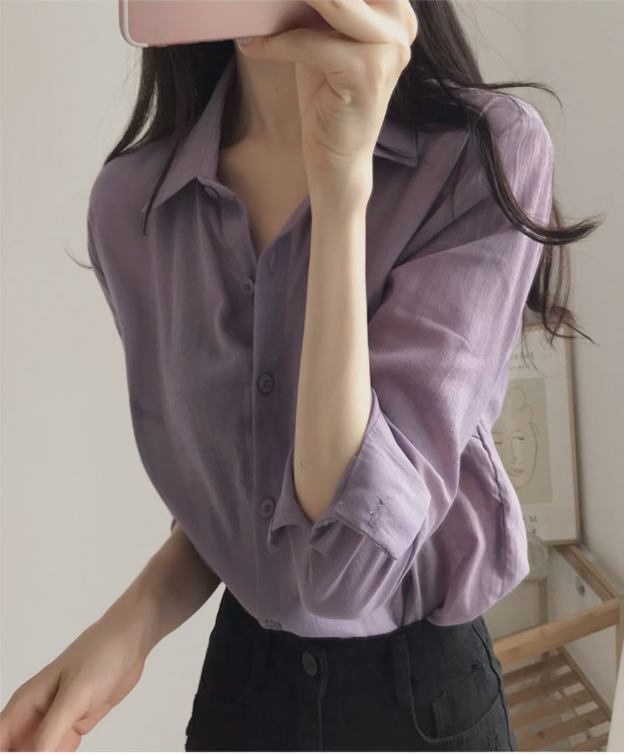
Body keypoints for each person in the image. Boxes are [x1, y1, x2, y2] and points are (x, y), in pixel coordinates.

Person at [1, 0, 600, 751]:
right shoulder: (136, 209)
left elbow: (350, 565)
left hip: (425, 702)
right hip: (246, 689)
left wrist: (340, 191)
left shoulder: (481, 156)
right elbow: (242, 496)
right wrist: (130, 625)